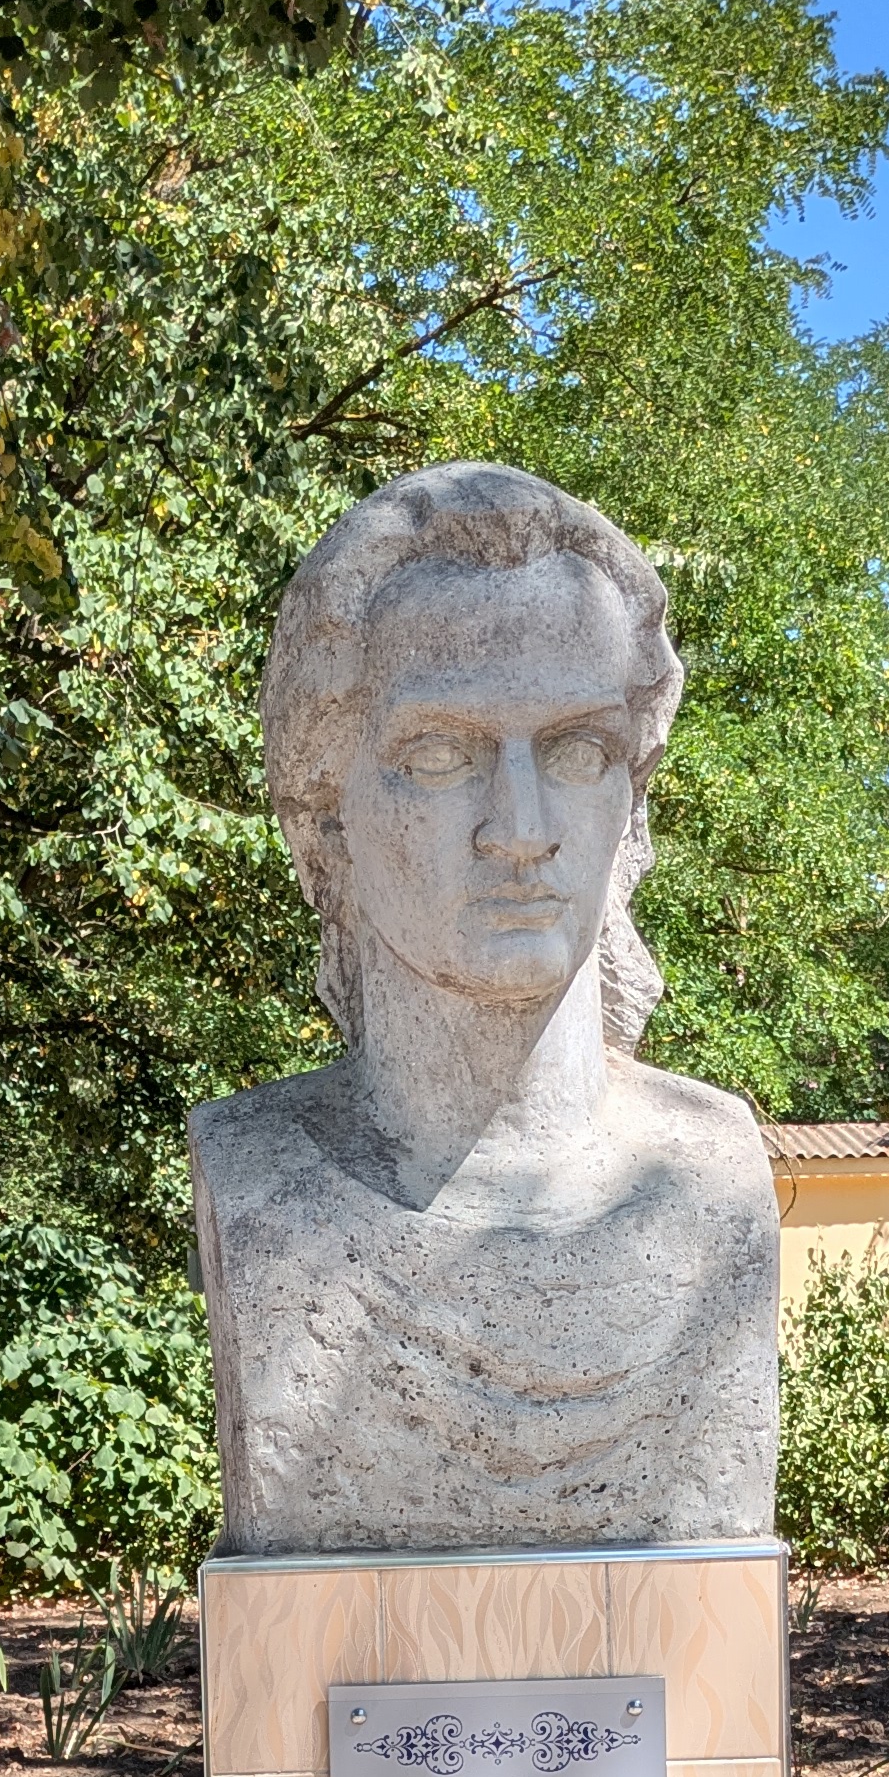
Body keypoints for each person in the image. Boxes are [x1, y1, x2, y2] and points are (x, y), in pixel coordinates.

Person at [191, 463, 781, 1556]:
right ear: (325, 817)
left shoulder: (713, 1173)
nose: (520, 827)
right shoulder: (258, 1173)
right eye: (439, 754)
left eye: (575, 751)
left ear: (633, 800)